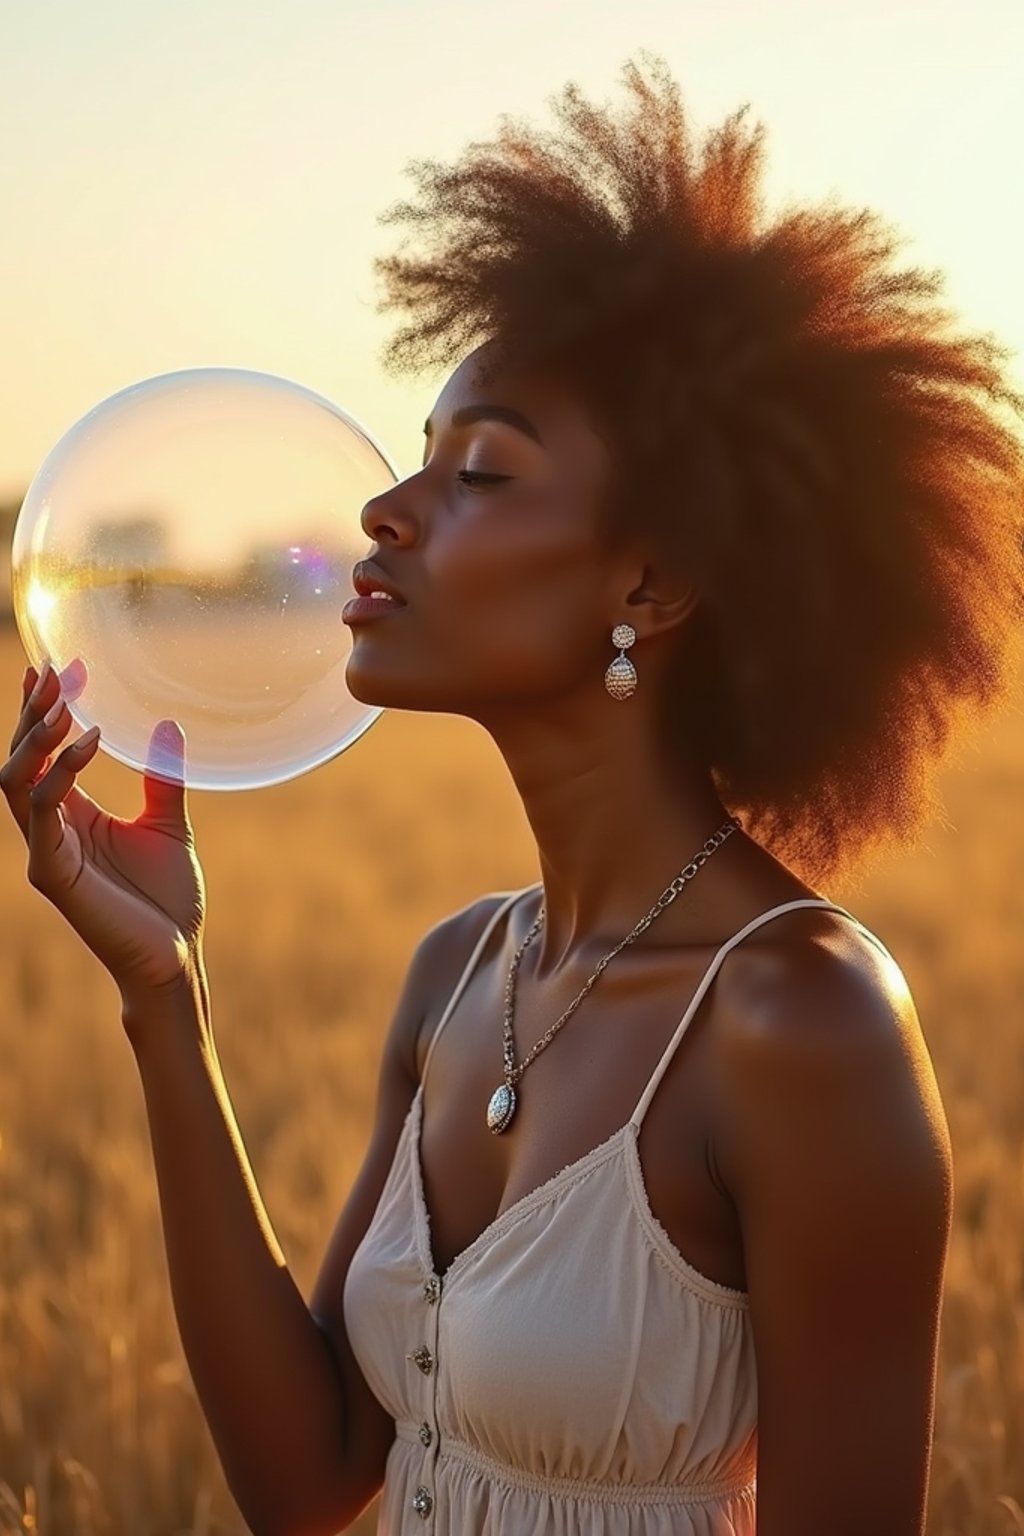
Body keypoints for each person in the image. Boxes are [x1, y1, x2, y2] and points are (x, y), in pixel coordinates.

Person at [3, 51, 1022, 1536]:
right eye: (421, 459)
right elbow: (306, 1479)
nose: (387, 511)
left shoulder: (803, 1024)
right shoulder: (461, 975)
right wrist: (167, 993)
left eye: (480, 472)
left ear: (653, 579)